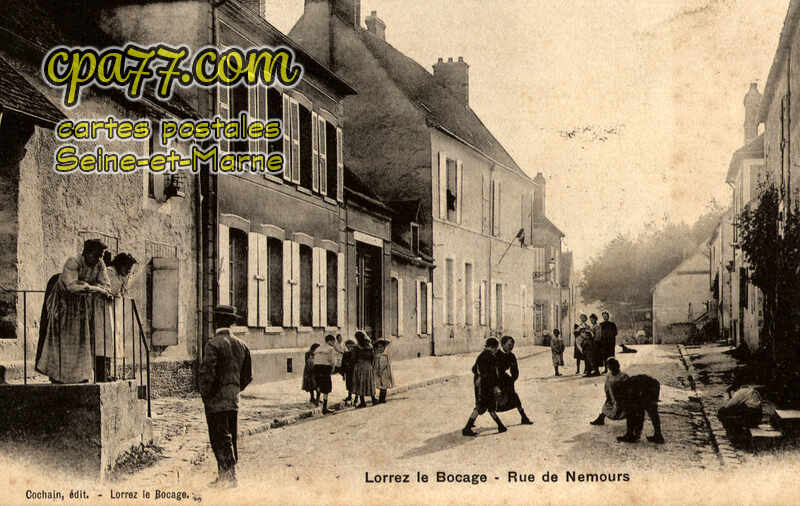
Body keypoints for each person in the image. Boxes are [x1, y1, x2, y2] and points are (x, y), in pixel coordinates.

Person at [36, 239, 112, 384]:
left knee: (82, 340)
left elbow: (107, 287)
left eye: (100, 255)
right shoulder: (73, 262)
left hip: (82, 306)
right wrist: (95, 288)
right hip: (64, 304)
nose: (98, 259)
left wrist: (87, 286)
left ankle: (80, 376)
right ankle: (58, 376)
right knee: (64, 340)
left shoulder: (99, 264)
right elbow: (71, 287)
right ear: (87, 253)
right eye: (96, 255)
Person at [198, 305, 252, 488]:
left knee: (219, 437)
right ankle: (226, 475)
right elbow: (247, 376)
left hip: (215, 400)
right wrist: (235, 389)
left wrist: (206, 394)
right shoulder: (242, 345)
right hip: (233, 399)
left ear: (216, 322)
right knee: (231, 436)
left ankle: (229, 477)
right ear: (231, 322)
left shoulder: (213, 344)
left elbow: (208, 374)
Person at [96, 252, 138, 381]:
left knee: (112, 343)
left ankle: (107, 373)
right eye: (127, 267)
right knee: (103, 343)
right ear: (120, 264)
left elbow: (124, 291)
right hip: (102, 311)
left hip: (112, 311)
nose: (129, 270)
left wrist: (127, 277)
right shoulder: (110, 272)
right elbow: (108, 288)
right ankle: (102, 374)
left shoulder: (121, 275)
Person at [462, 338, 507, 436]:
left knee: (488, 406)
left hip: (483, 386)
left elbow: (474, 369)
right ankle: (467, 428)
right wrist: (495, 386)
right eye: (496, 348)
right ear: (492, 347)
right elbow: (491, 375)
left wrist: (479, 377)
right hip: (486, 387)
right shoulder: (490, 357)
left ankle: (501, 426)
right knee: (481, 407)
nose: (497, 350)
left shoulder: (481, 355)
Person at [496, 336, 533, 425]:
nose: (511, 347)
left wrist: (512, 379)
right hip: (495, 381)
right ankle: (470, 423)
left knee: (515, 398)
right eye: (509, 345)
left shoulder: (511, 356)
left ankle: (524, 418)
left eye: (512, 345)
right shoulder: (496, 354)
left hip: (506, 381)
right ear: (503, 344)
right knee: (486, 403)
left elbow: (515, 371)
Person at [590, 357, 630, 426]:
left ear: (616, 366)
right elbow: (607, 386)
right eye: (609, 366)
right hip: (612, 397)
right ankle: (601, 419)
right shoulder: (609, 375)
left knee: (625, 411)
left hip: (622, 398)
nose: (610, 368)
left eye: (612, 366)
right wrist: (608, 396)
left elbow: (628, 389)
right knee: (606, 408)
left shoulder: (623, 376)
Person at [313, 334, 343, 414]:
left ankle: (317, 400)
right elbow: (333, 361)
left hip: (316, 368)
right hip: (325, 368)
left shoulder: (318, 348)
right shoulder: (330, 349)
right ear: (330, 341)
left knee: (319, 385)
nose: (334, 343)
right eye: (333, 341)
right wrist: (332, 369)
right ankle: (324, 407)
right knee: (326, 388)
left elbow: (315, 359)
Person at [352, 331, 377, 407]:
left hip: (359, 366)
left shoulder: (356, 347)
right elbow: (373, 357)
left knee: (360, 383)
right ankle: (373, 399)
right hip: (368, 366)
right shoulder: (370, 347)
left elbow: (353, 358)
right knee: (369, 382)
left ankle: (362, 402)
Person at [373, 339, 394, 404]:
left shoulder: (386, 355)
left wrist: (387, 372)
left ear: (384, 348)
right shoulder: (376, 356)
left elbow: (387, 364)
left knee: (384, 385)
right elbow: (375, 363)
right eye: (379, 347)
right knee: (380, 385)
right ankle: (380, 398)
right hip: (377, 371)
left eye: (381, 347)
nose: (380, 349)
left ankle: (383, 398)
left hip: (384, 372)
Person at [340, 339, 357, 404]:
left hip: (354, 370)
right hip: (348, 371)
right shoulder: (346, 353)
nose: (349, 348)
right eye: (348, 346)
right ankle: (349, 396)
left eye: (351, 346)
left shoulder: (355, 353)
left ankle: (356, 397)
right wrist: (343, 373)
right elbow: (343, 364)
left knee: (355, 383)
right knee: (349, 383)